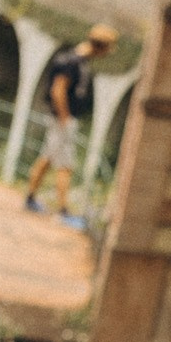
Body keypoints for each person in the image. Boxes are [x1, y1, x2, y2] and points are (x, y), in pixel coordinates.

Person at [24, 23, 117, 219]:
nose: (108, 54)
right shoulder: (71, 62)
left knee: (48, 158)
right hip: (61, 120)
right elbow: (58, 91)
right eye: (108, 49)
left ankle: (30, 197)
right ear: (100, 47)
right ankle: (64, 211)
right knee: (65, 165)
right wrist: (65, 119)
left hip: (60, 119)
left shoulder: (79, 61)